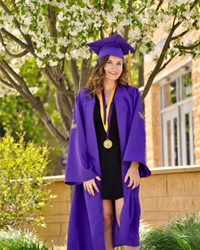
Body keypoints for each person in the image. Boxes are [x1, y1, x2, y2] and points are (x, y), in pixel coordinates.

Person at [65, 34, 151, 250]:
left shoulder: (131, 95)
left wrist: (134, 165)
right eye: (110, 62)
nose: (115, 68)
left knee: (126, 218)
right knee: (104, 218)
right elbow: (78, 136)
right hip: (97, 167)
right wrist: (84, 172)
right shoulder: (84, 98)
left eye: (119, 63)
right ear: (102, 65)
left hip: (122, 165)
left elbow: (137, 130)